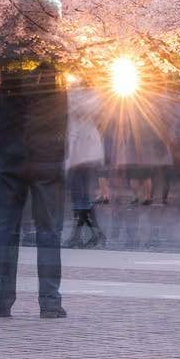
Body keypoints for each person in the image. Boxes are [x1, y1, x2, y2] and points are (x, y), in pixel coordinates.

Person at [0, 0, 68, 319]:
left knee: (4, 228)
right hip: (46, 152)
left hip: (10, 149)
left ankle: (0, 299)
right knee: (49, 230)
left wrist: (10, 16)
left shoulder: (8, 53)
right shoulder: (57, 52)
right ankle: (50, 300)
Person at [64, 75, 106, 249]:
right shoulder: (93, 100)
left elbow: (78, 118)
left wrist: (68, 158)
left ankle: (84, 235)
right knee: (81, 198)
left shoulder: (78, 102)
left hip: (81, 155)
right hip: (86, 154)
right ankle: (90, 235)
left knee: (80, 197)